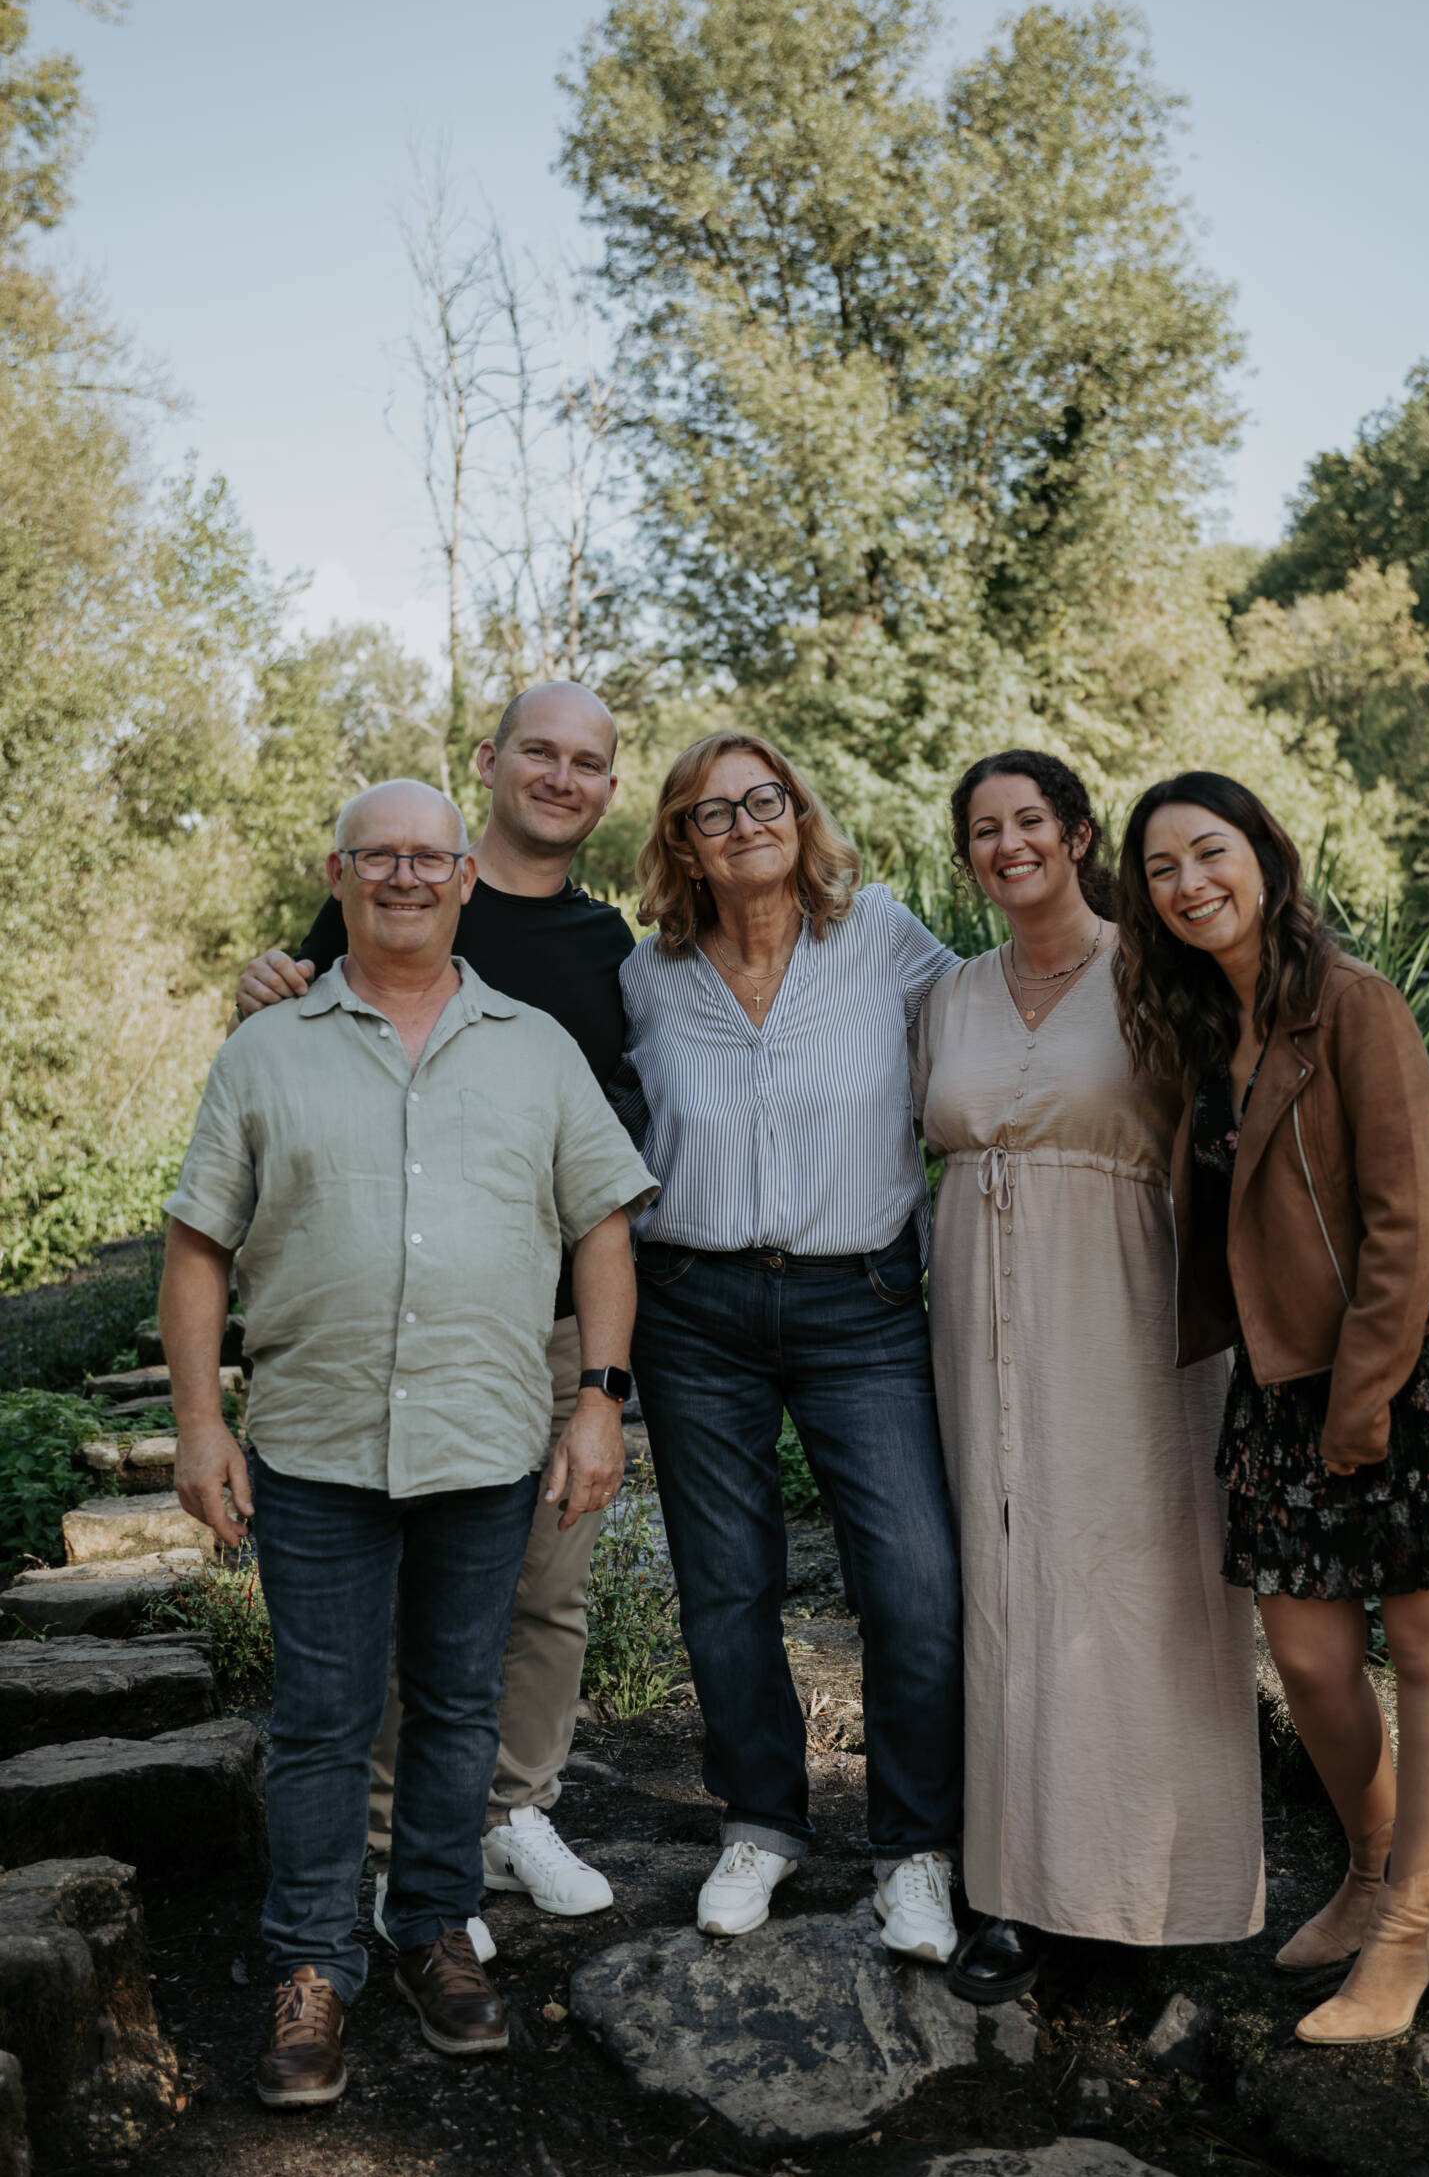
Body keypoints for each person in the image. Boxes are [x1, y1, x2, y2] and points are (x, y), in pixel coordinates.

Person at [162, 780, 656, 2108]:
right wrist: (201, 1422)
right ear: (337, 874)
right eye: (376, 856)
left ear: (461, 879)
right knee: (322, 1722)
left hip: (486, 1438)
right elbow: (199, 1241)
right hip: (315, 1446)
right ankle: (312, 1962)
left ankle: (430, 1924)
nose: (403, 877)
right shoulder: (265, 1049)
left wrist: (598, 1399)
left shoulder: (536, 1046)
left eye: (427, 857)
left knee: (453, 1703)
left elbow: (601, 1226)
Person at [1119, 770, 1429, 2046]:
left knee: (1427, 1652)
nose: (1191, 883)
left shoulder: (1352, 1002)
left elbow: (1406, 1220)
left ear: (1265, 854)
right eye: (1161, 870)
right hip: (1283, 1381)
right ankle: (1371, 1871)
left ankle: (1414, 1926)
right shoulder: (1199, 1030)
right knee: (1306, 1656)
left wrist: (1366, 1399)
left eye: (1210, 852)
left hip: (1416, 1364)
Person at [231, 684, 638, 1940]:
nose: (561, 777)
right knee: (400, 1591)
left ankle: (510, 1813)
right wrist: (255, 986)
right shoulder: (398, 873)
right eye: (540, 752)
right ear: (491, 764)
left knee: (538, 1589)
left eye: (588, 762)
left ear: (608, 789)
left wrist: (604, 1385)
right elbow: (296, 1026)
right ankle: (401, 1845)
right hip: (380, 1323)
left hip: (551, 1314)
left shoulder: (609, 945)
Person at [912, 752, 1266, 2004]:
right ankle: (1012, 1890)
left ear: (1074, 834)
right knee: (1005, 1583)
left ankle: (1142, 1893)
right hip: (975, 1315)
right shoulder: (945, 991)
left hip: (1126, 1306)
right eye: (981, 831)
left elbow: (1281, 1068)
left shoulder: (1152, 966)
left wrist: (1413, 1128)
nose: (1007, 845)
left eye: (1029, 823)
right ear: (967, 858)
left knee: (1132, 1582)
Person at [622, 732, 964, 1959]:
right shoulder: (646, 976)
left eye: (766, 798)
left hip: (860, 1304)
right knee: (726, 1590)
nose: (746, 822)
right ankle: (761, 1820)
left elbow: (1030, 998)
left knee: (916, 1586)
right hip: (694, 1307)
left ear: (800, 811)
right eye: (712, 813)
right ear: (682, 846)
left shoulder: (879, 935)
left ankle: (913, 1849)